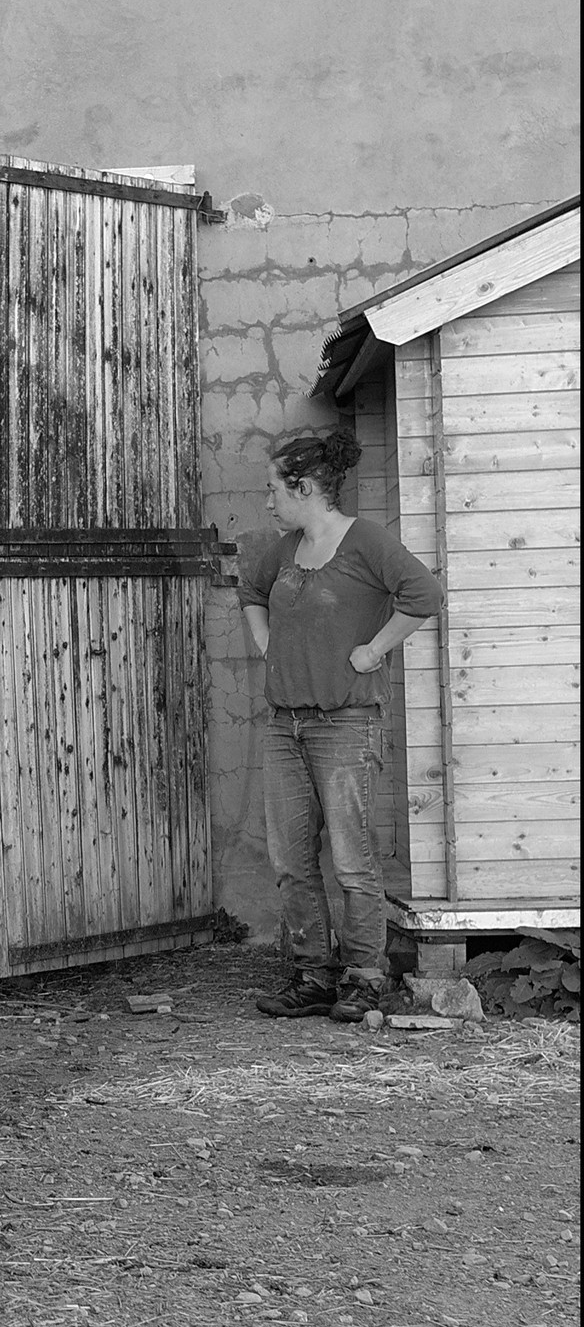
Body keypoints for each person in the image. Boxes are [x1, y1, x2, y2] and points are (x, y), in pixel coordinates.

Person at [239, 430, 444, 1023]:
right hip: (285, 726)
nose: (269, 500)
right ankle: (312, 977)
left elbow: (424, 594)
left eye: (275, 489)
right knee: (291, 860)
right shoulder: (286, 549)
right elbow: (250, 590)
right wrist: (266, 643)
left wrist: (376, 649)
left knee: (353, 861)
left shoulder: (366, 541)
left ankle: (364, 979)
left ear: (304, 488)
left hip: (347, 725)